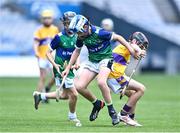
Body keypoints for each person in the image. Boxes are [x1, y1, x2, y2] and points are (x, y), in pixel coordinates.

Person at [62, 15, 137, 125]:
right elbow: (76, 51)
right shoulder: (81, 36)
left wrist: (130, 50)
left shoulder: (100, 32)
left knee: (101, 82)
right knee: (79, 86)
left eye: (79, 32)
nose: (79, 35)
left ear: (86, 26)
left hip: (105, 59)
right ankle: (97, 104)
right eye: (77, 33)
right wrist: (68, 68)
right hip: (92, 61)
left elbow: (118, 37)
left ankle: (112, 112)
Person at [33, 11, 81, 125]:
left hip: (70, 68)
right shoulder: (59, 37)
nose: (70, 25)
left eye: (72, 23)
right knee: (74, 94)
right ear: (64, 24)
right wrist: (55, 65)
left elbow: (77, 52)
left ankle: (40, 95)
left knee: (63, 95)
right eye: (68, 23)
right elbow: (48, 53)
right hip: (61, 69)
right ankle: (72, 116)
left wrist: (77, 63)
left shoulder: (77, 36)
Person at [107, 32, 149, 126]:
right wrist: (139, 51)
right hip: (115, 76)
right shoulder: (128, 45)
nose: (141, 47)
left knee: (133, 94)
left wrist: (138, 52)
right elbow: (133, 46)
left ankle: (130, 118)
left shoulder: (124, 47)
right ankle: (123, 114)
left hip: (115, 75)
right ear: (134, 41)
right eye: (140, 44)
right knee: (141, 89)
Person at [33, 9, 59, 97]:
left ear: (52, 19)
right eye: (45, 18)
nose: (47, 20)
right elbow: (36, 42)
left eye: (49, 18)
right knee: (43, 77)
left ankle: (47, 89)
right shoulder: (39, 30)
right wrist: (36, 52)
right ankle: (38, 96)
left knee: (56, 76)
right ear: (42, 19)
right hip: (42, 57)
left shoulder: (55, 29)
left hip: (52, 57)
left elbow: (59, 42)